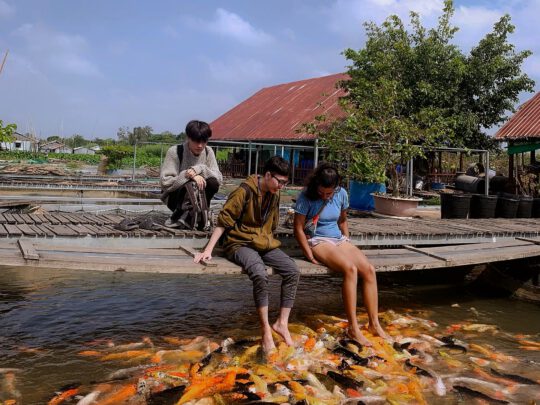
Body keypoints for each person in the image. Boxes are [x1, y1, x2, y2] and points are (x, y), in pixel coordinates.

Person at [194, 156, 300, 353]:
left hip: (264, 242)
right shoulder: (244, 191)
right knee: (259, 274)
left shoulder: (274, 193)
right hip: (239, 243)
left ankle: (281, 324)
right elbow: (224, 221)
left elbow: (273, 223)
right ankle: (265, 329)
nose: (283, 186)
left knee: (293, 270)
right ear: (268, 175)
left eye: (286, 183)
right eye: (281, 182)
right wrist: (208, 250)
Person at [293, 162, 390, 345]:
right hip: (318, 240)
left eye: (329, 193)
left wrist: (347, 243)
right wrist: (308, 253)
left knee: (369, 270)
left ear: (336, 188)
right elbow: (297, 228)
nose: (325, 196)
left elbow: (343, 220)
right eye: (321, 192)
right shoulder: (306, 197)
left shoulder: (342, 194)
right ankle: (353, 327)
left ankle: (374, 323)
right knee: (350, 269)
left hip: (338, 239)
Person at [160, 120, 223, 229]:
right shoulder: (175, 151)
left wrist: (200, 169)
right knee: (189, 184)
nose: (200, 145)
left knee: (212, 182)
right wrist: (190, 176)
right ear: (188, 138)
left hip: (200, 198)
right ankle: (182, 216)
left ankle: (200, 214)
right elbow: (165, 182)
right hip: (175, 198)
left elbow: (218, 179)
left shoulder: (208, 152)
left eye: (204, 142)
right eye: (196, 141)